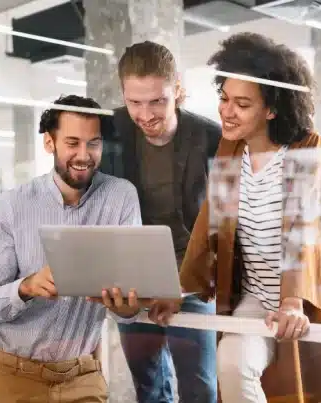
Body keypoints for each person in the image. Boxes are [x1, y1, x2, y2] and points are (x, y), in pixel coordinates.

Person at [149, 32, 321, 403]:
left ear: (271, 109)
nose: (227, 111)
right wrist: (179, 291)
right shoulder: (230, 147)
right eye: (224, 98)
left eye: (242, 104)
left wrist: (292, 301)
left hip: (308, 296)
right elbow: (210, 224)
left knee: (311, 392)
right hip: (256, 296)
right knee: (230, 364)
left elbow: (303, 229)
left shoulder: (309, 147)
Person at [0, 95, 144, 403]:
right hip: (12, 376)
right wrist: (27, 287)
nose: (84, 154)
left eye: (94, 143)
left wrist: (125, 303)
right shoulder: (12, 205)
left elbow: (130, 310)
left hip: (82, 375)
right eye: (73, 142)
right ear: (49, 143)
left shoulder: (121, 197)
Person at [103, 41, 220, 403]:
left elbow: (225, 225)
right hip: (136, 270)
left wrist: (185, 284)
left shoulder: (210, 137)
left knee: (199, 383)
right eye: (135, 102)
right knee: (148, 381)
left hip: (194, 270)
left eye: (157, 101)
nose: (146, 114)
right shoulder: (112, 130)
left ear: (178, 90)